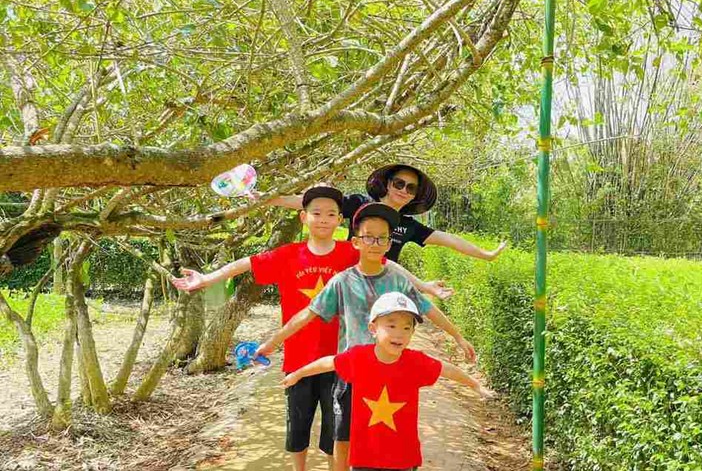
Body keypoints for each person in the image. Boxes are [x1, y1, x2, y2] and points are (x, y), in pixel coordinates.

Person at [171, 187, 450, 471]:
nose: (323, 220)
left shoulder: (349, 252)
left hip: (340, 360)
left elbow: (385, 263)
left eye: (331, 214)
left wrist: (424, 286)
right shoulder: (288, 255)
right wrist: (207, 278)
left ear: (340, 220)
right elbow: (247, 263)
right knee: (298, 425)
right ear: (303, 217)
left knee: (337, 428)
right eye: (316, 213)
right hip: (298, 355)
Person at [255, 202, 477, 471]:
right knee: (342, 435)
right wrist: (271, 343)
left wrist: (458, 337)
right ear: (356, 242)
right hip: (352, 372)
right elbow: (307, 315)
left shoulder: (397, 280)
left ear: (388, 243)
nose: (375, 242)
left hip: (389, 370)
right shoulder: (342, 281)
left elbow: (427, 309)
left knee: (388, 432)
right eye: (368, 236)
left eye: (382, 237)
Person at [281, 291, 493, 471]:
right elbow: (329, 363)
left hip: (403, 458)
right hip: (365, 456)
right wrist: (298, 374)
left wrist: (475, 385)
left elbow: (446, 370)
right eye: (391, 325)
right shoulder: (358, 358)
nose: (399, 334)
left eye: (407, 327)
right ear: (373, 328)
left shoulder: (416, 363)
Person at [267, 164, 507, 262]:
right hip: (348, 280)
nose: (403, 190)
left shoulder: (409, 226)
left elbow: (449, 239)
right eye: (399, 183)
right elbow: (311, 203)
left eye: (411, 188)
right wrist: (269, 199)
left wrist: (485, 254)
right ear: (388, 183)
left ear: (415, 196)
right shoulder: (359, 203)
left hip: (383, 289)